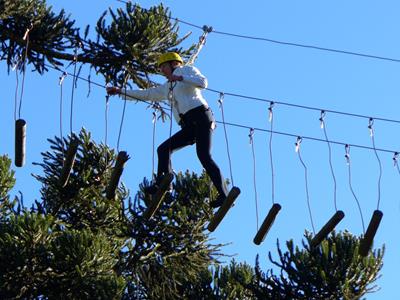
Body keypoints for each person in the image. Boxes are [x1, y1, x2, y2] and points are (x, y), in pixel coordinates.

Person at [106, 52, 228, 207]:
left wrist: (182, 78)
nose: (162, 71)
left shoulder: (186, 70)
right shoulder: (167, 87)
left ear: (173, 64)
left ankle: (224, 194)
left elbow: (203, 82)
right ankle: (164, 186)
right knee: (163, 149)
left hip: (201, 117)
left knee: (204, 156)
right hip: (188, 124)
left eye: (163, 66)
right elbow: (147, 94)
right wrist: (120, 91)